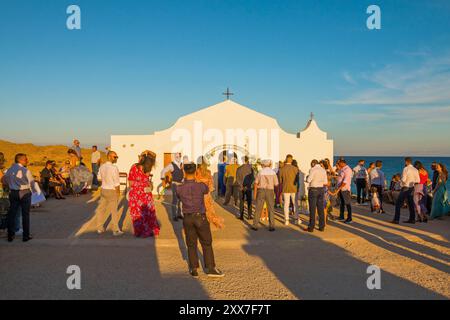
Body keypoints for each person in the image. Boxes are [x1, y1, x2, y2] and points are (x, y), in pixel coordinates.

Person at [176, 162, 224, 278]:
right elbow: (207, 191)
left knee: (191, 244)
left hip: (187, 217)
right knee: (206, 243)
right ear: (195, 171)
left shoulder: (179, 188)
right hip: (200, 217)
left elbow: (179, 197)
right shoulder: (201, 186)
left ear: (184, 172)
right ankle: (210, 268)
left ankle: (194, 269)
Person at [2, 153, 36, 242]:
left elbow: (4, 181)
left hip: (13, 193)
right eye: (25, 159)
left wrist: (12, 184)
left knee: (12, 214)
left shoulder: (9, 170)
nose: (27, 161)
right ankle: (25, 236)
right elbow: (32, 183)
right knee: (25, 215)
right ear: (20, 160)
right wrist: (35, 193)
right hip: (24, 193)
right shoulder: (25, 170)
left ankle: (10, 235)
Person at [128, 152, 160, 237]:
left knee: (137, 213)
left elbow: (130, 183)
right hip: (146, 194)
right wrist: (145, 183)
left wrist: (145, 152)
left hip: (136, 194)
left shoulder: (134, 167)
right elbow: (154, 156)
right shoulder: (148, 168)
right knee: (148, 212)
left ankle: (140, 232)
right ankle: (148, 231)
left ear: (142, 158)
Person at [95, 151, 124, 236]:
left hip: (103, 190)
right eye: (115, 157)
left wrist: (106, 181)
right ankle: (115, 230)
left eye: (116, 157)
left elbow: (99, 178)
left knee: (101, 210)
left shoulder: (102, 167)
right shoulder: (114, 168)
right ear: (109, 157)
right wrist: (118, 193)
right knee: (114, 211)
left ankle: (100, 228)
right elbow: (116, 183)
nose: (116, 158)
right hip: (112, 191)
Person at [195, 157, 224, 229]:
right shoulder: (208, 172)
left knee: (197, 212)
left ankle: (199, 227)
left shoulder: (195, 172)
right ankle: (206, 226)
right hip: (206, 195)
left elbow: (194, 184)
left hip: (197, 195)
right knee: (208, 211)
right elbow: (211, 186)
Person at [252, 159, 278, 231]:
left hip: (261, 191)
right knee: (271, 209)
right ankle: (272, 226)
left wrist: (255, 194)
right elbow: (276, 184)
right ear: (269, 165)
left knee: (258, 208)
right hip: (270, 191)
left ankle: (255, 225)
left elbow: (256, 183)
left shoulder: (260, 172)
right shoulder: (273, 172)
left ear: (263, 165)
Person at [392, 157, 420, 224]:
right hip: (412, 188)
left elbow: (404, 179)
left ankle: (396, 219)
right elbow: (418, 180)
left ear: (406, 162)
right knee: (410, 204)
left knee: (398, 204)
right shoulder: (415, 169)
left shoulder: (406, 169)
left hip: (405, 188)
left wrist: (401, 182)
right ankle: (412, 219)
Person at [306, 159, 328, 232]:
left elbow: (309, 180)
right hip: (321, 189)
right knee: (320, 209)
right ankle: (321, 227)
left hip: (313, 190)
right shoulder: (323, 170)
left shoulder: (313, 169)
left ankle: (311, 227)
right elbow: (325, 182)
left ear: (313, 164)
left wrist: (307, 177)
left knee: (312, 209)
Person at [161, 153, 184, 221]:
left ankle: (180, 214)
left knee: (181, 200)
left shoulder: (181, 164)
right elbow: (163, 171)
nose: (178, 157)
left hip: (181, 184)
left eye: (179, 156)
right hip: (175, 184)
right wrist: (162, 178)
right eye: (177, 156)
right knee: (175, 200)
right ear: (175, 157)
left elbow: (182, 173)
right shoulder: (171, 165)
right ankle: (174, 216)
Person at [329, 159, 353, 224]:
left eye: (339, 163)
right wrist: (333, 177)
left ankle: (349, 218)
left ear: (343, 163)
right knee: (342, 203)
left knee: (348, 204)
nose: (338, 165)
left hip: (345, 189)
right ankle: (341, 216)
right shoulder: (342, 169)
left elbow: (345, 181)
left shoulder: (348, 170)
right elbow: (339, 177)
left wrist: (338, 190)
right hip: (340, 189)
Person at [279, 154, 300, 226]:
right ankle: (296, 219)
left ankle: (286, 220)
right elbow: (297, 180)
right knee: (295, 204)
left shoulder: (282, 169)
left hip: (285, 188)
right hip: (294, 188)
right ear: (291, 160)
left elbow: (280, 180)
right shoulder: (295, 169)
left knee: (286, 204)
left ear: (286, 159)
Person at [236, 156, 254, 220]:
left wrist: (241, 186)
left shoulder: (239, 169)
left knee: (241, 201)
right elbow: (252, 178)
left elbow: (237, 179)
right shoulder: (251, 168)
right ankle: (249, 215)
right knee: (249, 201)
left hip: (241, 188)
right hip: (248, 188)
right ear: (248, 160)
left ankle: (241, 216)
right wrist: (247, 186)